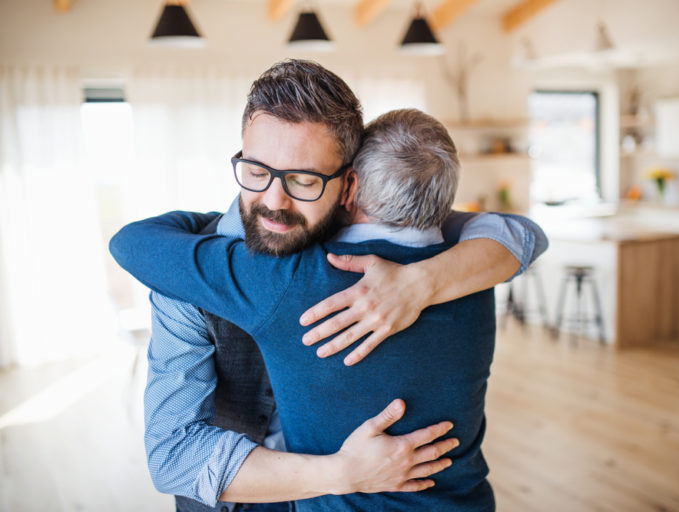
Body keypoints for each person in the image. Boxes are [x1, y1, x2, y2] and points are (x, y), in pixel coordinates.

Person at [135, 60, 547, 511]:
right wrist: (343, 473)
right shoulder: (190, 271)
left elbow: (516, 232)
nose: (275, 201)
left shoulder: (419, 252)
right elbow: (174, 457)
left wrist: (420, 283)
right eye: (256, 171)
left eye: (304, 180)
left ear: (348, 183)